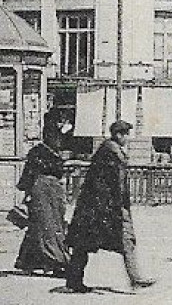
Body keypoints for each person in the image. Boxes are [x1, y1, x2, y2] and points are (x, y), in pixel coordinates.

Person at [63, 120, 153, 292]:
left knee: (84, 243)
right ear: (119, 135)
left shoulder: (108, 151)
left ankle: (75, 281)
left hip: (95, 206)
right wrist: (119, 206)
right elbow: (115, 184)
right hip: (102, 207)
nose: (128, 138)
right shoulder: (112, 153)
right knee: (94, 242)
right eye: (126, 134)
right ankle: (134, 278)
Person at [13, 118, 71, 277]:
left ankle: (27, 261)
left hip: (53, 193)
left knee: (39, 227)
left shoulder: (52, 153)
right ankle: (57, 262)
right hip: (41, 192)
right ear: (50, 136)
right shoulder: (39, 152)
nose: (59, 141)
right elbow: (30, 175)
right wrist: (27, 194)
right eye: (57, 137)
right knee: (49, 227)